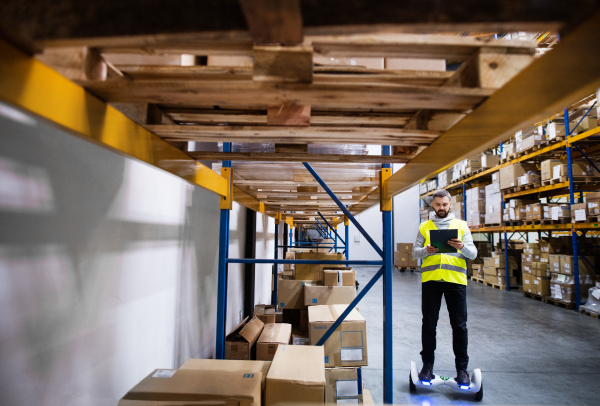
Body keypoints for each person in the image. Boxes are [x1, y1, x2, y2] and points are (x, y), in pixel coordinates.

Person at [412, 189, 477, 387]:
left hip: (455, 282)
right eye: (438, 204)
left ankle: (462, 370)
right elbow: (415, 252)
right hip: (431, 282)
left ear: (450, 205)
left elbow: (473, 254)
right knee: (429, 325)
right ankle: (427, 367)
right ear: (433, 205)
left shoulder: (461, 226)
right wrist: (426, 251)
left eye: (445, 205)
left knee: (459, 326)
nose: (441, 208)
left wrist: (461, 247)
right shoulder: (425, 227)